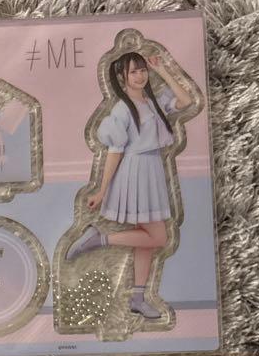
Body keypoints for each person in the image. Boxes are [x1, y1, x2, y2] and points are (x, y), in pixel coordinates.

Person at [64, 50, 195, 319]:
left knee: (146, 241)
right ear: (122, 77)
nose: (140, 75)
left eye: (142, 70)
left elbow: (186, 100)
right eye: (133, 71)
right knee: (159, 237)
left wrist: (162, 71)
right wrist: (102, 189)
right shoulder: (122, 109)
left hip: (152, 169)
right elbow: (115, 151)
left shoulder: (153, 101)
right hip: (136, 171)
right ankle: (99, 240)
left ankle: (137, 297)